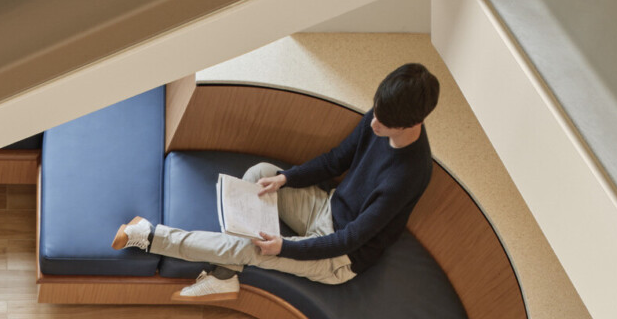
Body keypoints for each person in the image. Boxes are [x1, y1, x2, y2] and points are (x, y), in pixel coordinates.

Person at [111, 63, 440, 298]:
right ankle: (226, 276)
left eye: (384, 123)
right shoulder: (381, 115)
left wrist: (282, 247)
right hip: (327, 207)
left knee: (250, 248)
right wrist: (286, 179)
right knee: (261, 175)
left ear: (411, 123)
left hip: (340, 257)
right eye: (376, 112)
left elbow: (350, 239)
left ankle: (150, 235)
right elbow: (336, 159)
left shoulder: (409, 174)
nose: (374, 124)